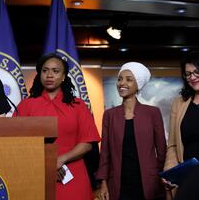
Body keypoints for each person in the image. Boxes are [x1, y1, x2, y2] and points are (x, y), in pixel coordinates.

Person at [13, 53, 100, 200]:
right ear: (40, 74)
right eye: (45, 70)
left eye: (55, 71)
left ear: (64, 76)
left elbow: (87, 144)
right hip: (36, 174)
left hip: (72, 175)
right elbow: (16, 143)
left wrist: (60, 160)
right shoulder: (26, 105)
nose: (49, 75)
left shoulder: (78, 105)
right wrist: (47, 163)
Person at [95, 62, 167, 200]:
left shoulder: (153, 113)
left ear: (138, 84)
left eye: (129, 79)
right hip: (118, 183)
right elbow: (105, 153)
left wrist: (160, 176)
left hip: (149, 183)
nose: (122, 83)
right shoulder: (109, 115)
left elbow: (162, 151)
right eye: (120, 79)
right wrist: (103, 182)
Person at [163, 50, 199, 199]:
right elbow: (172, 145)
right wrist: (170, 172)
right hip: (188, 178)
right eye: (188, 74)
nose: (193, 77)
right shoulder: (179, 103)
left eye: (197, 72)